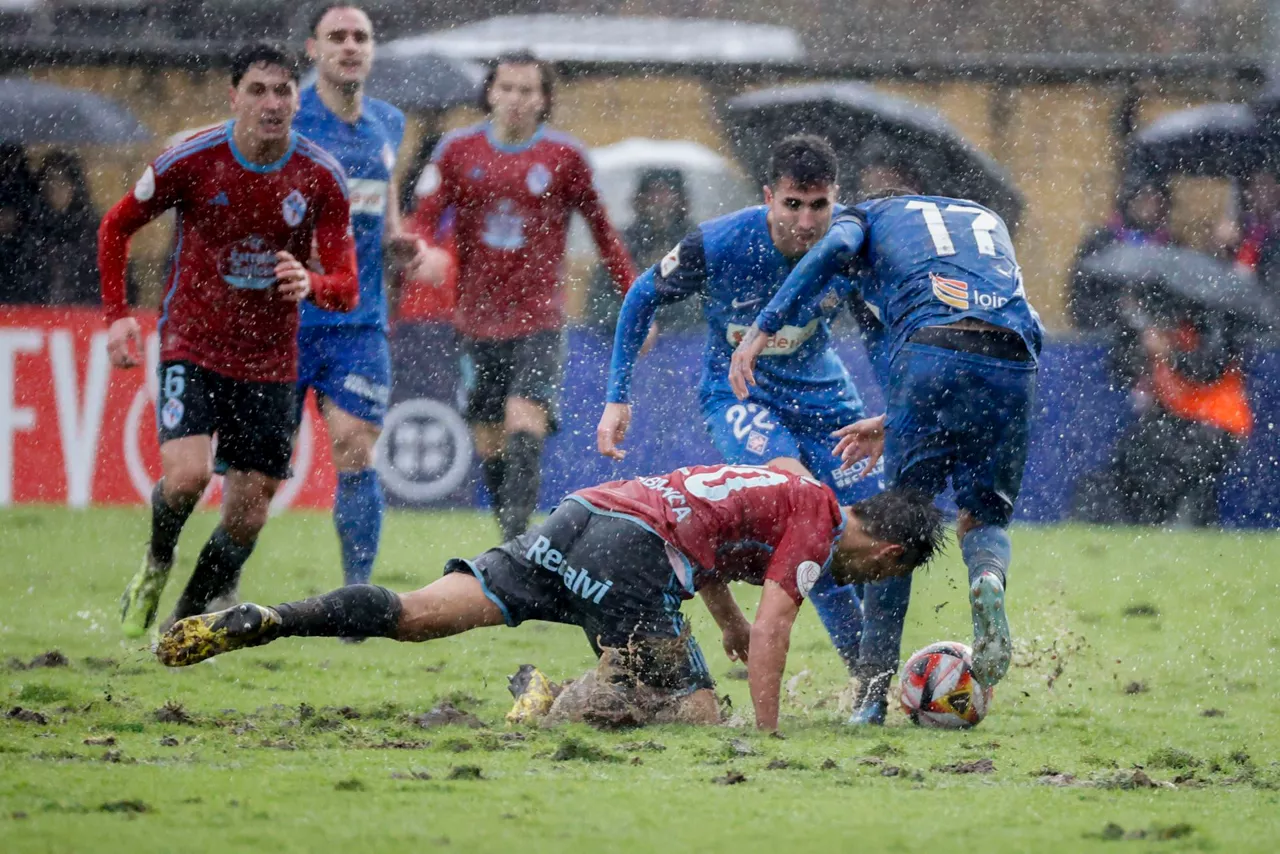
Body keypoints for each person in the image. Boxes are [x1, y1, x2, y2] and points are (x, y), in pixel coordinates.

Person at [156, 463, 943, 732]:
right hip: (633, 550)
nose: (866, 582)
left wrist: (726, 621)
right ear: (889, 551)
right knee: (701, 710)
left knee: (419, 615)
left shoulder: (790, 482)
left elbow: (711, 536)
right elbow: (778, 634)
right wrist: (770, 740)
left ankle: (269, 619)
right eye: (881, 576)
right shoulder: (819, 526)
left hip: (584, 514)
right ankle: (549, 702)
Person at [729, 189, 1043, 723]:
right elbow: (1014, 318)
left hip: (929, 348)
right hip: (1015, 358)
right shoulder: (982, 215)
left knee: (899, 521)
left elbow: (833, 251)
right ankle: (987, 576)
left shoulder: (865, 218)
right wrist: (894, 416)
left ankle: (871, 698)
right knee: (984, 518)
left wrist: (763, 328)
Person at [99, 43, 359, 639]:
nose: (272, 104)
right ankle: (157, 561)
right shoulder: (190, 161)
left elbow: (346, 287)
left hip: (270, 363)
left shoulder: (320, 176)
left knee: (248, 514)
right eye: (259, 91)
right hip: (194, 345)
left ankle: (186, 616)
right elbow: (116, 227)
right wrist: (117, 316)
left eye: (283, 91)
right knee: (187, 478)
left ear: (298, 98)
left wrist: (311, 281)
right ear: (234, 96)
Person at [597, 135, 880, 682]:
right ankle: (868, 679)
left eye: (818, 206)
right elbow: (640, 296)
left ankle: (880, 667)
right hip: (740, 397)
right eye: (792, 204)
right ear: (769, 197)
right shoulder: (720, 243)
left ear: (835, 200)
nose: (805, 221)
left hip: (826, 397)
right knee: (810, 510)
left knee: (880, 530)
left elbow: (882, 328)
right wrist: (616, 397)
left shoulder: (852, 244)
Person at [409, 51, 635, 542]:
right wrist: (425, 250)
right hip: (475, 318)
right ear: (490, 92)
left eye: (527, 90)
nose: (515, 99)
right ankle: (512, 539)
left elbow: (603, 232)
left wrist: (635, 297)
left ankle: (519, 549)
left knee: (523, 421)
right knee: (489, 440)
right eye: (506, 88)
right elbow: (422, 217)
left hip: (539, 317)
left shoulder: (565, 158)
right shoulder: (455, 151)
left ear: (544, 99)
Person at [293, 4, 432, 589]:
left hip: (359, 316)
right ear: (312, 49)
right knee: (260, 476)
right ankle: (219, 584)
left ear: (372, 49)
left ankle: (355, 597)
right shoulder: (287, 115)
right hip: (286, 317)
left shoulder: (388, 123)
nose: (350, 47)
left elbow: (384, 198)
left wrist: (399, 241)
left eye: (361, 37)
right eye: (337, 37)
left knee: (355, 447)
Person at [582, 167, 701, 334]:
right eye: (653, 193)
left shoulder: (696, 242)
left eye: (667, 193)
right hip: (631, 339)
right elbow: (599, 299)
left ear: (680, 200)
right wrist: (635, 318)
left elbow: (706, 300)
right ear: (640, 199)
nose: (659, 200)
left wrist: (661, 311)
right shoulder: (623, 243)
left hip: (689, 341)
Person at [29, 150, 101, 306]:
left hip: (83, 317)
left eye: (62, 180)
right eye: (49, 180)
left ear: (74, 186)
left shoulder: (93, 229)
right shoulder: (31, 227)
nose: (55, 187)